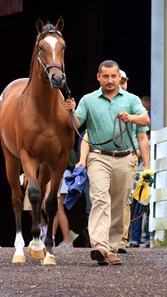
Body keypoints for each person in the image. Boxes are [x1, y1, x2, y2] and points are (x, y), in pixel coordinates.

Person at [65, 60, 150, 266]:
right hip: (98, 157)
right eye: (106, 76)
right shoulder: (88, 100)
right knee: (100, 199)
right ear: (99, 77)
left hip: (124, 157)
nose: (110, 80)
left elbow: (145, 121)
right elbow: (76, 125)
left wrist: (130, 117)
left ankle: (112, 248)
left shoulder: (130, 99)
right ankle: (100, 245)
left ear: (119, 78)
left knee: (119, 204)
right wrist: (70, 111)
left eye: (114, 76)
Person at [117, 71, 150, 253]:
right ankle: (104, 238)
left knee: (126, 199)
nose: (121, 83)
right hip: (105, 156)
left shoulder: (133, 102)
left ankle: (122, 239)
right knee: (104, 198)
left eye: (124, 81)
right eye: (119, 80)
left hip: (130, 157)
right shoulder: (100, 100)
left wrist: (148, 167)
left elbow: (143, 137)